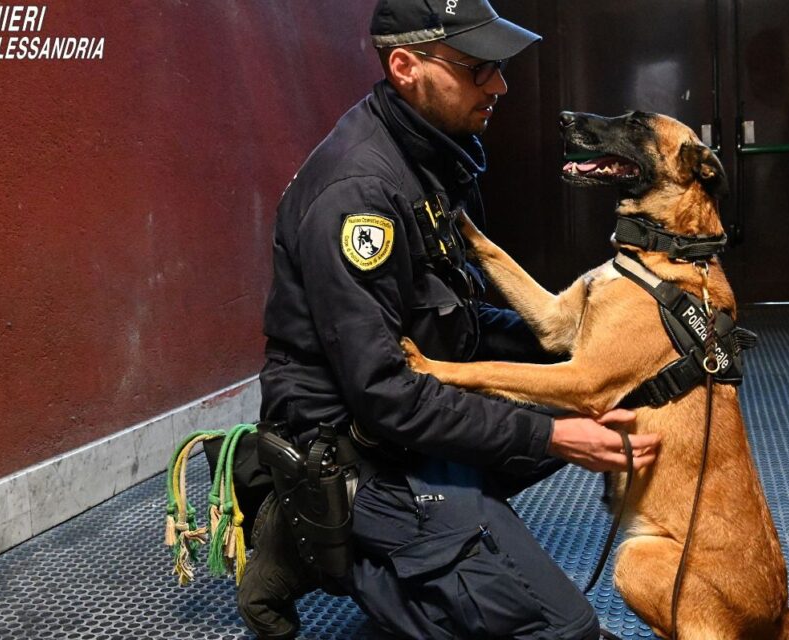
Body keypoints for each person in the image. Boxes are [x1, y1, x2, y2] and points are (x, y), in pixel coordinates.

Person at [239, 1, 661, 638]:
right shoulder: (357, 198)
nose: (500, 84)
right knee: (564, 631)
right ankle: (320, 543)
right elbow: (385, 396)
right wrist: (553, 435)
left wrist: (587, 349)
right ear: (406, 66)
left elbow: (460, 320)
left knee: (603, 391)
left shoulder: (431, 157)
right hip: (362, 451)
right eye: (477, 68)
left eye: (498, 65)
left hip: (417, 415)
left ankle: (445, 544)